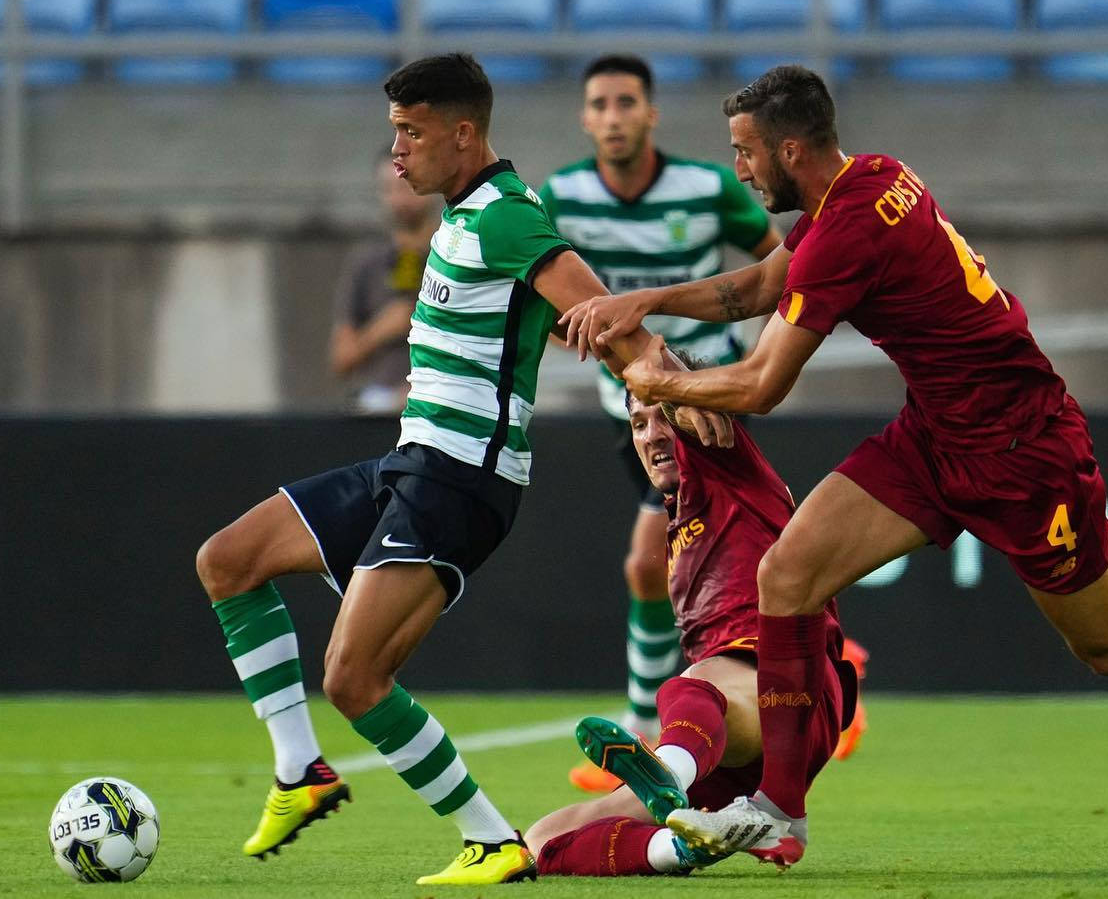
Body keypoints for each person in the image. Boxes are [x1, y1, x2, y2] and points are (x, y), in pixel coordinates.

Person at [560, 64, 1108, 866]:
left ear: (791, 148)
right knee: (787, 575)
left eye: (745, 152)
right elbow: (764, 283)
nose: (739, 167)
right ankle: (780, 810)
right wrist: (648, 303)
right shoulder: (866, 179)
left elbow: (762, 385)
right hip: (937, 436)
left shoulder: (849, 228)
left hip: (1024, 449)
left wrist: (655, 378)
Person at [193, 53, 723, 888]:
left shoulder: (507, 216)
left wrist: (671, 395)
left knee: (354, 677)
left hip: (461, 478)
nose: (396, 153)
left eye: (410, 132)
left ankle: (492, 839)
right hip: (412, 461)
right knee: (228, 560)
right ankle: (300, 771)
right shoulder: (463, 218)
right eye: (394, 132)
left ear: (462, 133)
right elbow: (546, 320)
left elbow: (605, 319)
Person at [540, 54, 782, 789]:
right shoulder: (562, 197)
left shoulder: (707, 189)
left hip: (707, 406)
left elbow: (781, 267)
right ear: (586, 118)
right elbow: (543, 297)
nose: (612, 115)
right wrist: (578, 335)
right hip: (632, 408)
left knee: (652, 558)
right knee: (703, 561)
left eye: (626, 102)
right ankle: (797, 674)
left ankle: (649, 728)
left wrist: (757, 366)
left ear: (651, 113)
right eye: (600, 103)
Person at [523, 391, 855, 876]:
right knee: (542, 842)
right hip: (721, 741)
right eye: (637, 424)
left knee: (690, 684)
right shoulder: (679, 516)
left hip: (789, 691)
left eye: (664, 420)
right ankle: (682, 847)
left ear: (704, 419)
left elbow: (662, 372)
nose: (651, 435)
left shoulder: (727, 469)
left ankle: (668, 775)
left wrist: (611, 319)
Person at [329, 149, 441, 413]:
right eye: (388, 189)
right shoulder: (367, 264)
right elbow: (341, 359)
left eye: (405, 186)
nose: (398, 199)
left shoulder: (456, 258)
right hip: (378, 406)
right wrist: (382, 329)